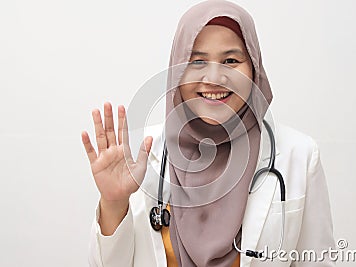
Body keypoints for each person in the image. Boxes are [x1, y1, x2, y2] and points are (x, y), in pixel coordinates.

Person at [82, 1, 335, 266]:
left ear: (254, 69)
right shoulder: (142, 155)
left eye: (231, 61)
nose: (214, 78)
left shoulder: (299, 156)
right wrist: (113, 203)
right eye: (198, 60)